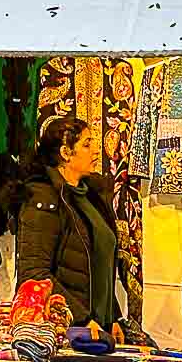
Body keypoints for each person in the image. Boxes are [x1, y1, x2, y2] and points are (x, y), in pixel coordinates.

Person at [12, 116, 127, 339]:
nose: (95, 151)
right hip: (66, 329)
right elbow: (34, 272)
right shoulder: (44, 199)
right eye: (86, 144)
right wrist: (81, 319)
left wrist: (111, 317)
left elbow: (100, 264)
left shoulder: (90, 196)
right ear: (65, 153)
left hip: (96, 327)